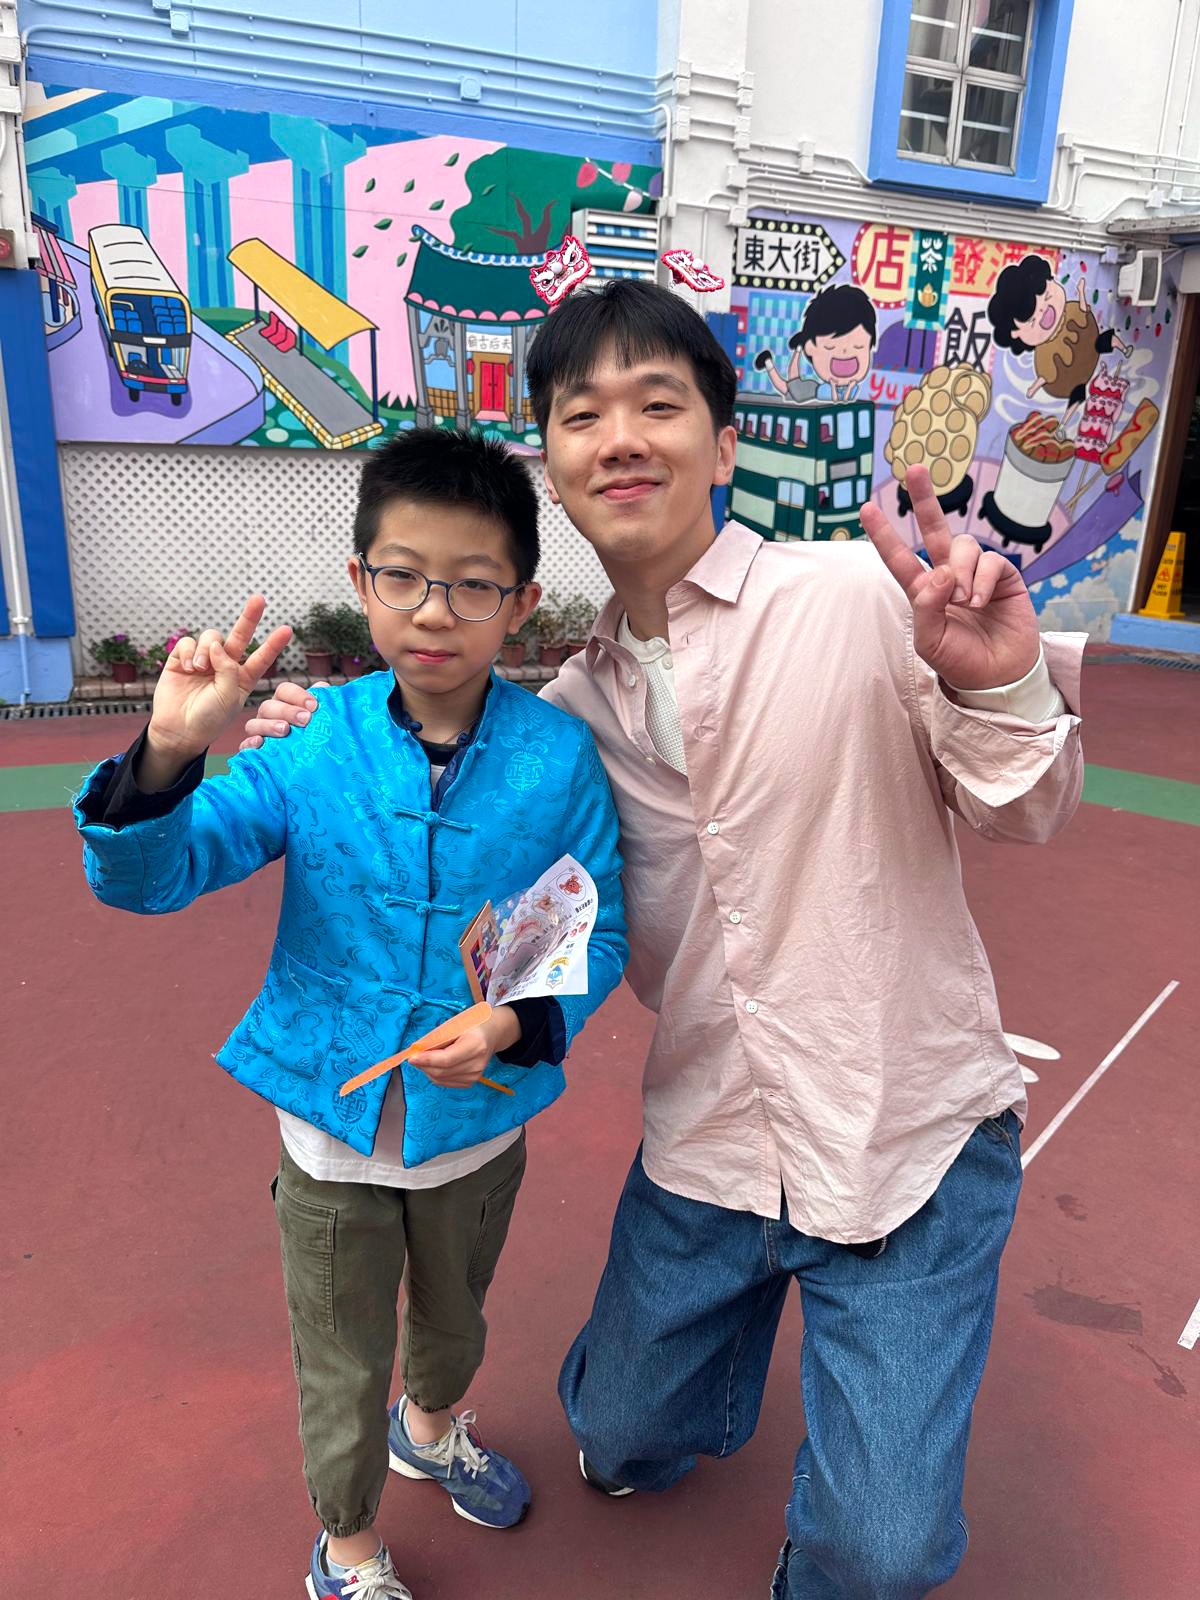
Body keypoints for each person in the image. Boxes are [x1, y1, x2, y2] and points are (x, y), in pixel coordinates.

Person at [247, 280, 1084, 1599]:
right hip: (716, 1139)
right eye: (583, 414)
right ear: (553, 462)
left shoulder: (859, 599)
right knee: (617, 1434)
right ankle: (694, 1380)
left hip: (906, 1134)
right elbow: (542, 927)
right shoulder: (566, 724)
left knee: (880, 1555)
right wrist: (330, 744)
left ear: (724, 440)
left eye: (658, 404)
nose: (621, 437)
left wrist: (1003, 682)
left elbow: (1027, 810)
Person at [73, 428, 628, 1600]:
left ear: (522, 602)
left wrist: (512, 1027)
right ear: (360, 578)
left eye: (473, 584)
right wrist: (169, 750)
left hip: (479, 1127)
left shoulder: (559, 758)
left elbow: (596, 926)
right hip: (331, 1127)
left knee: (456, 1325)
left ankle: (430, 1430)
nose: (434, 610)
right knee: (342, 1354)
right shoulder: (311, 739)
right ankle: (348, 1544)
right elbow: (155, 875)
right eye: (403, 575)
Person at [987, 253, 1131, 430]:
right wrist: (1033, 388)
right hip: (1072, 383)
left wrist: (1081, 293)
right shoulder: (1044, 353)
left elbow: (1084, 313)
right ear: (1016, 334)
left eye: (1047, 297)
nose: (1043, 313)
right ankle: (1063, 425)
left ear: (1052, 280)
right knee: (1078, 395)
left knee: (1107, 339)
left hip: (1093, 347)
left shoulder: (1071, 311)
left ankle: (1125, 349)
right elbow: (1046, 375)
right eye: (1032, 321)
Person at [754, 281, 877, 403]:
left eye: (859, 346)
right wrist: (833, 386)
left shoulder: (852, 388)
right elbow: (836, 399)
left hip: (810, 393)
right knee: (791, 384)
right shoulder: (826, 389)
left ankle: (771, 361)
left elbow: (841, 400)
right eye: (830, 347)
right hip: (809, 392)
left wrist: (842, 386)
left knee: (786, 387)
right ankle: (793, 351)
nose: (844, 351)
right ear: (810, 347)